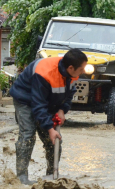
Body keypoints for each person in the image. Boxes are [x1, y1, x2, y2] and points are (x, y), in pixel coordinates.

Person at [10, 49, 88, 184]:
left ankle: (52, 175)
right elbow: (38, 105)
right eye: (82, 69)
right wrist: (50, 129)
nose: (83, 72)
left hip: (46, 101)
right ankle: (21, 177)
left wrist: (62, 109)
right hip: (25, 99)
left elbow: (69, 94)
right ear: (71, 68)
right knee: (28, 135)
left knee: (54, 140)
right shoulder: (44, 73)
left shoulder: (72, 73)